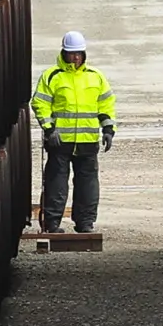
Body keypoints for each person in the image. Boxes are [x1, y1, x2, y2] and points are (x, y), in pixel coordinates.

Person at [32, 29, 114, 234]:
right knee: (56, 184)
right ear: (64, 53)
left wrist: (108, 129)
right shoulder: (52, 76)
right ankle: (52, 223)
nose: (75, 57)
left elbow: (106, 104)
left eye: (78, 53)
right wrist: (49, 129)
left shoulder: (95, 77)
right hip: (60, 142)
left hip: (87, 141)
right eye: (71, 53)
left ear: (83, 53)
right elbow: (40, 103)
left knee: (88, 186)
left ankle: (85, 223)